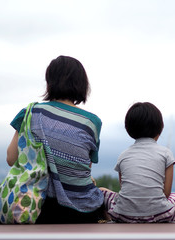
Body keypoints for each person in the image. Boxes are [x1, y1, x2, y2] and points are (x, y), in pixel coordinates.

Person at [6, 55, 105, 223]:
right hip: (82, 212)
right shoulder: (92, 123)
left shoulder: (30, 113)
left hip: (37, 209)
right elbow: (83, 169)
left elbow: (11, 158)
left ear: (49, 82)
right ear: (82, 84)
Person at [100, 102, 175, 223]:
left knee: (101, 192)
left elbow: (124, 189)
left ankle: (109, 224)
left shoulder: (123, 155)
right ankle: (170, 231)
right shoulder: (166, 153)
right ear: (160, 128)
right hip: (160, 214)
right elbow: (166, 193)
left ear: (129, 129)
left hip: (123, 215)